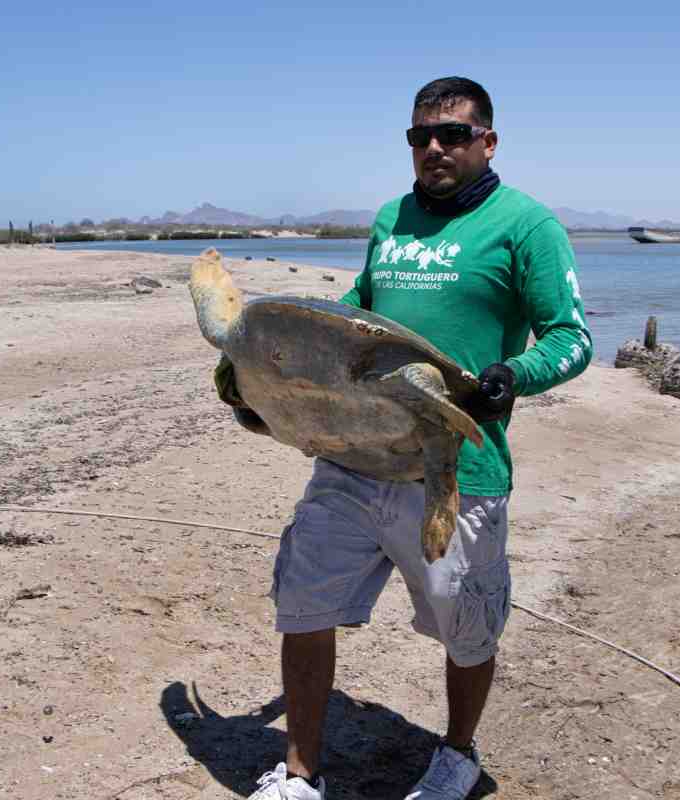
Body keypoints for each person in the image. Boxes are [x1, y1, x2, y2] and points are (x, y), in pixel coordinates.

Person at [248, 76, 592, 800]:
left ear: (488, 142)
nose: (434, 148)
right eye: (420, 136)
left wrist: (513, 375)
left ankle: (458, 754)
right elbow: (357, 311)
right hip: (351, 460)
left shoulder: (527, 225)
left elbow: (572, 338)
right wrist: (279, 376)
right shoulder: (391, 219)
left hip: (454, 472)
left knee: (468, 629)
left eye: (453, 134)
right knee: (303, 605)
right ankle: (301, 774)